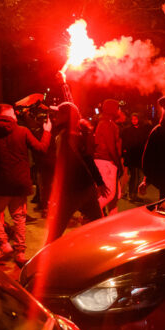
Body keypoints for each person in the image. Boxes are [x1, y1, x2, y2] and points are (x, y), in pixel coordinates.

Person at [0, 104, 51, 265]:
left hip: (0, 183)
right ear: (10, 115)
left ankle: (4, 244)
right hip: (21, 182)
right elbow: (42, 149)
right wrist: (47, 132)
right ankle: (20, 253)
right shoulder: (23, 131)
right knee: (19, 218)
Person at [45, 103, 108, 244]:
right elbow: (88, 160)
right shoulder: (80, 133)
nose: (56, 117)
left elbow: (61, 167)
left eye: (59, 113)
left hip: (71, 192)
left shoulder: (64, 136)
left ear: (66, 116)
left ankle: (43, 260)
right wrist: (99, 182)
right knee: (98, 225)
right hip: (87, 188)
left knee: (54, 233)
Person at [94, 99, 123, 214]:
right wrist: (118, 165)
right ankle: (91, 214)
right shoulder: (107, 124)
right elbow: (111, 147)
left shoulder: (105, 123)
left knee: (114, 197)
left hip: (106, 162)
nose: (119, 111)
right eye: (117, 108)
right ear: (112, 110)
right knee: (109, 195)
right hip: (106, 162)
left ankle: (111, 224)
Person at [121, 113, 150, 201]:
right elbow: (125, 143)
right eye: (133, 119)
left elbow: (145, 142)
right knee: (133, 176)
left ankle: (135, 194)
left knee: (139, 177)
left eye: (136, 119)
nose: (134, 121)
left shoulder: (143, 130)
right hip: (132, 156)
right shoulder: (128, 130)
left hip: (140, 156)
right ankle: (131, 194)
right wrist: (125, 153)